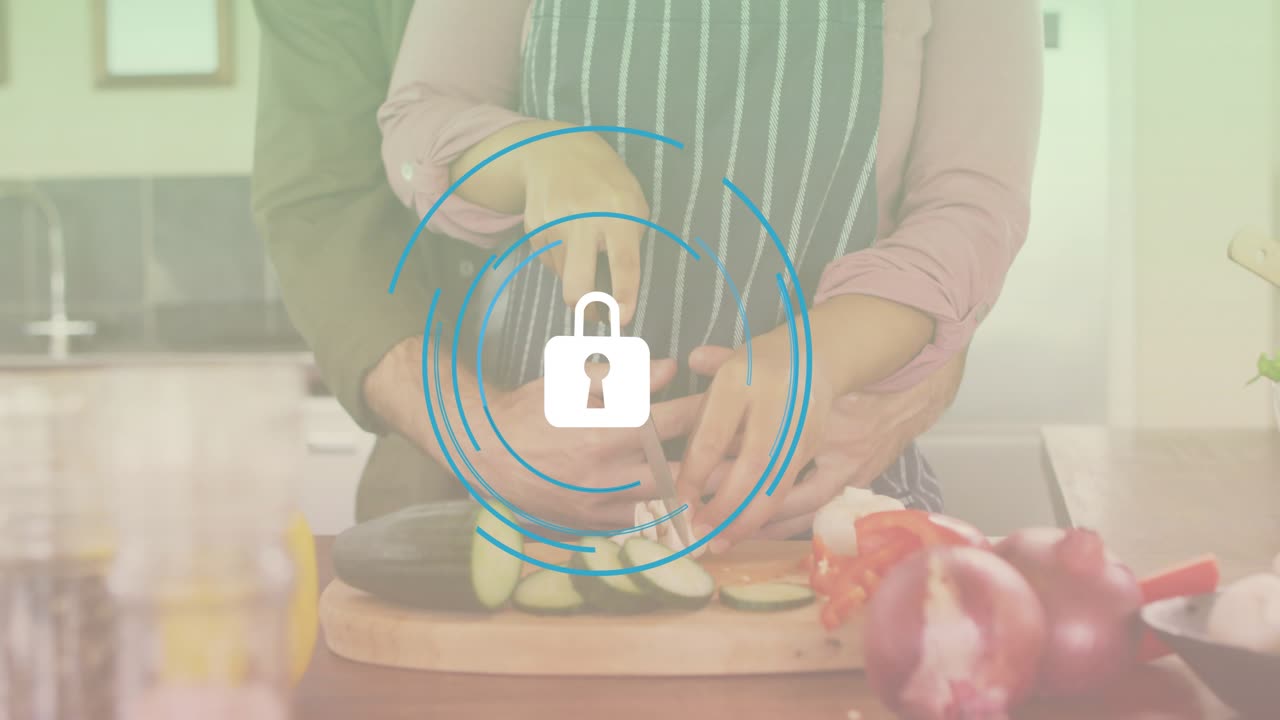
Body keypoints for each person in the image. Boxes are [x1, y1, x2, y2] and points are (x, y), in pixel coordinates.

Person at [252, 0, 1040, 547]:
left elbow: (969, 207)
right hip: (512, 507)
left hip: (821, 514)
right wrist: (535, 155)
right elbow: (393, 144)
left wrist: (829, 354)